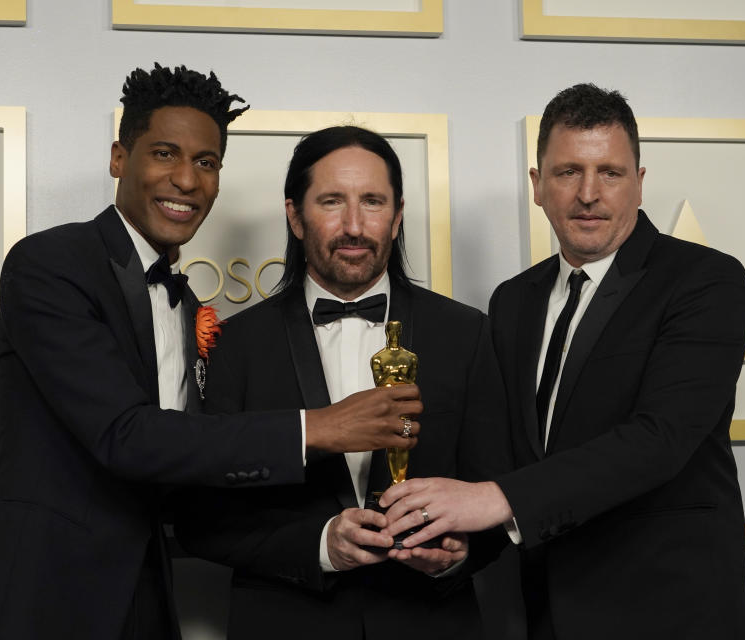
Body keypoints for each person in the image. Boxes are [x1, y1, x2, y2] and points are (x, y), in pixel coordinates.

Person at [0, 65, 422, 640]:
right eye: (165, 154)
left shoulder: (188, 305)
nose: (187, 180)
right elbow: (124, 435)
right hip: (38, 595)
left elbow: (194, 467)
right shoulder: (50, 265)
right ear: (120, 158)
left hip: (145, 599)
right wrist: (315, 429)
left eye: (206, 163)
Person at [381, 84, 745, 639]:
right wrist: (459, 546)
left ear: (640, 183)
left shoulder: (706, 281)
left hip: (669, 610)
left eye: (610, 172)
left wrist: (491, 500)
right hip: (545, 611)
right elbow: (508, 453)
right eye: (567, 172)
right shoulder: (513, 300)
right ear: (537, 186)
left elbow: (660, 439)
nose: (588, 193)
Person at [174, 126, 508, 640]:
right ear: (295, 217)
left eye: (372, 202)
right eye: (332, 201)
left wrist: (456, 556)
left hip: (432, 623)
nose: (354, 225)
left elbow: (502, 492)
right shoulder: (234, 345)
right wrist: (319, 544)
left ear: (397, 217)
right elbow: (201, 521)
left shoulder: (467, 334)